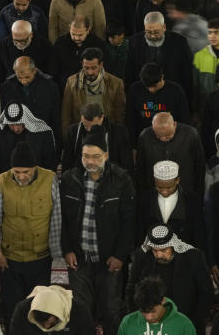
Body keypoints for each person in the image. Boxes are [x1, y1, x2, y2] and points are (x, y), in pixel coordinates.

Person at [59, 132, 136, 335]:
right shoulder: (69, 178)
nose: (90, 161)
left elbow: (129, 222)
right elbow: (61, 219)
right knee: (81, 311)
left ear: (106, 155)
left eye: (95, 156)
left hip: (109, 259)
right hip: (79, 257)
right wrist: (67, 249)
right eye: (86, 156)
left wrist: (120, 255)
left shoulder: (121, 180)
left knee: (111, 310)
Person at [0, 143, 62, 324]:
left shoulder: (50, 179)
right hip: (10, 258)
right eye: (17, 172)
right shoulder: (2, 181)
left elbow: (56, 218)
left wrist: (57, 254)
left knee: (38, 307)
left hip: (40, 256)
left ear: (35, 167)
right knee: (12, 308)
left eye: (26, 172)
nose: (21, 176)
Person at [126, 225, 213, 335]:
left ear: (172, 245)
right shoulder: (142, 256)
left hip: (187, 321)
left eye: (163, 250)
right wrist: (138, 319)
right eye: (154, 250)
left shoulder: (193, 256)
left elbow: (206, 292)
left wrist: (191, 323)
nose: (158, 255)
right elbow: (131, 288)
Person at [118, 276, 197, 335]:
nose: (149, 317)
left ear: (163, 301)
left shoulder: (183, 324)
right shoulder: (128, 323)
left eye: (153, 311)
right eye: (144, 311)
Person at [8, 284, 94, 335]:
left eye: (51, 323)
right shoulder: (23, 310)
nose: (46, 327)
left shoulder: (80, 311)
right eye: (41, 323)